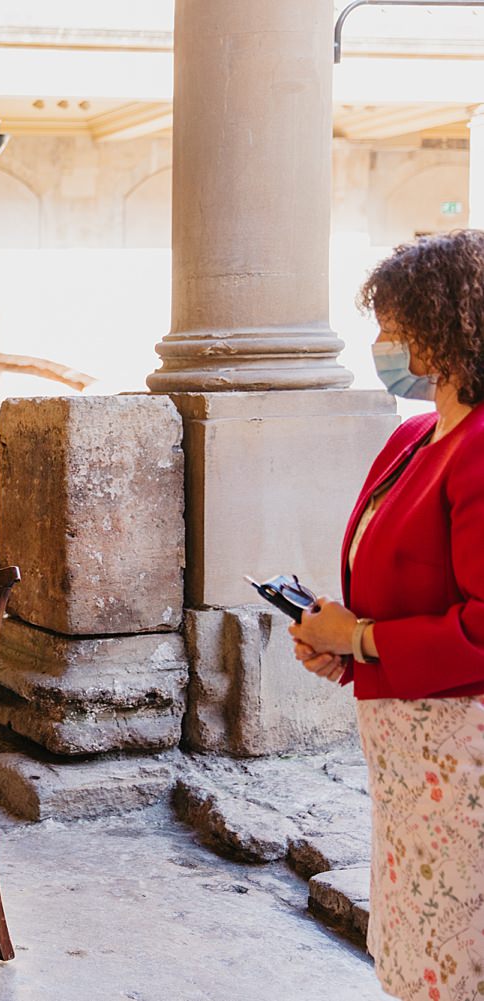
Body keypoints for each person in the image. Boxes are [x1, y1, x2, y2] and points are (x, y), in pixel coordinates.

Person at [288, 229, 484, 1001]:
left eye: (396, 323)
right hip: (406, 759)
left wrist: (363, 637)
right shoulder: (411, 436)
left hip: (461, 756)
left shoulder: (478, 448)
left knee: (454, 957)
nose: (383, 342)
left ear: (449, 323)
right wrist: (339, 642)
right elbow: (403, 584)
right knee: (413, 944)